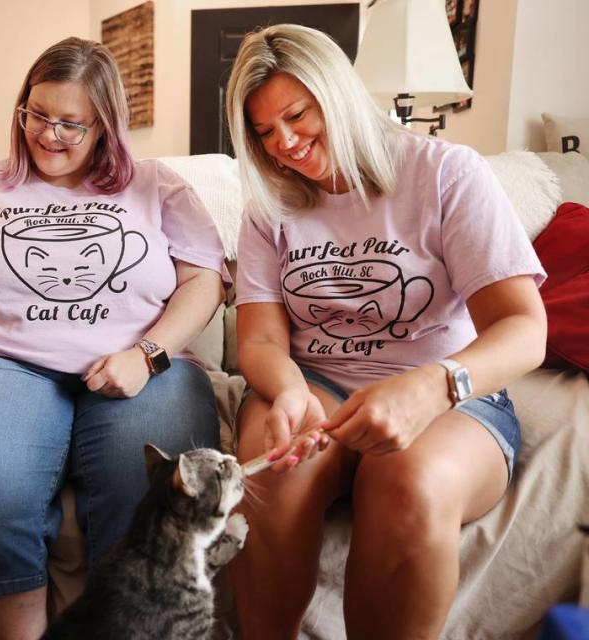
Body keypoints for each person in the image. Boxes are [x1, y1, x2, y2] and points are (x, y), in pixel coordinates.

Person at [0, 37, 229, 640]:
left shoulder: (158, 186)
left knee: (158, 492)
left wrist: (148, 354)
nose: (48, 134)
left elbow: (205, 281)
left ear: (106, 127)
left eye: (71, 123)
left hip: (140, 363)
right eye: (37, 114)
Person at [224, 24, 547, 640]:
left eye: (296, 115)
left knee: (405, 482)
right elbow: (262, 341)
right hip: (314, 382)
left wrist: (433, 387)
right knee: (272, 478)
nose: (284, 144)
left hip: (452, 393)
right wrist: (289, 392)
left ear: (339, 94)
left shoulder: (445, 174)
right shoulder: (269, 206)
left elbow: (524, 329)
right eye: (263, 132)